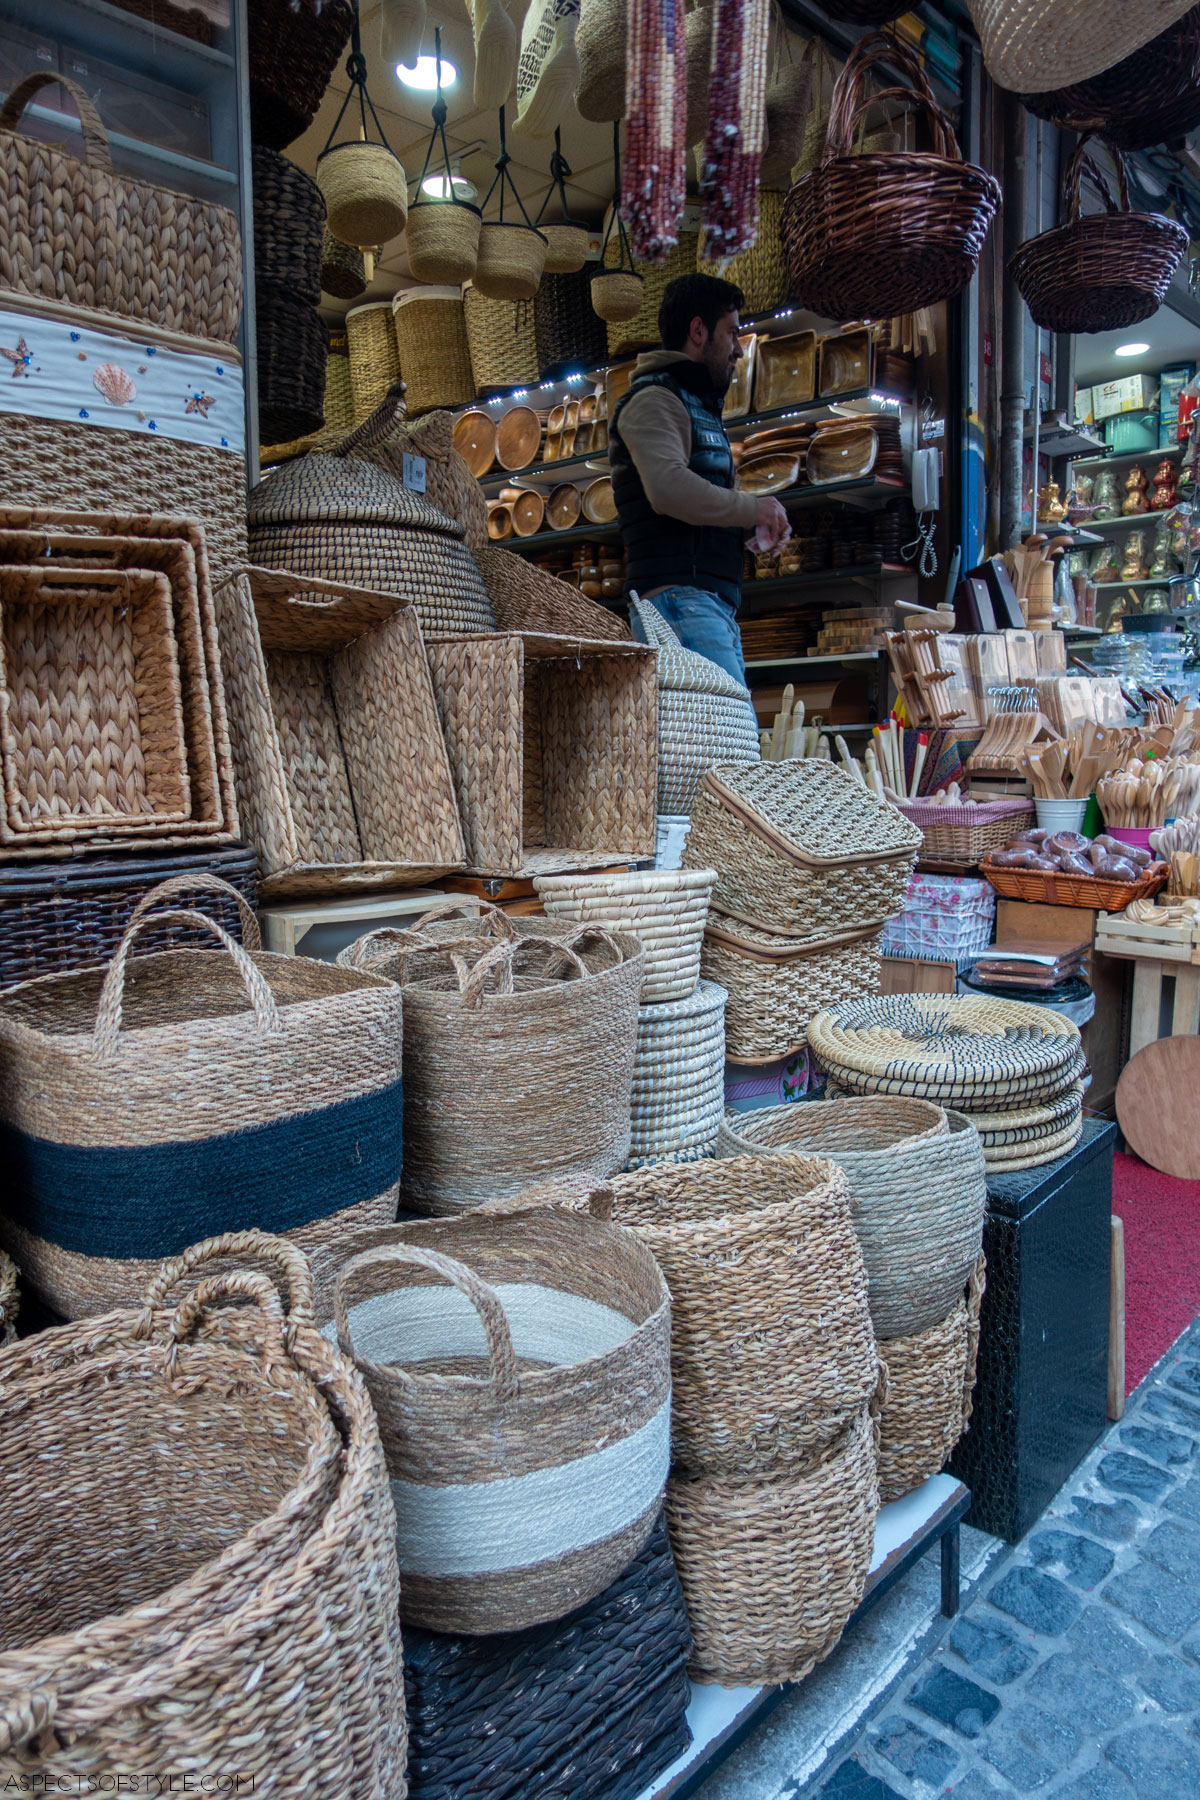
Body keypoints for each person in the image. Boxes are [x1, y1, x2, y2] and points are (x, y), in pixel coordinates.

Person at [609, 271, 790, 686]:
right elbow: (669, 490)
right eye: (732, 333)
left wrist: (743, 528)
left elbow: (686, 504)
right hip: (680, 602)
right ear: (697, 330)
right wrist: (752, 508)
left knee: (723, 744)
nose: (739, 350)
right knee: (729, 745)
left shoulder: (692, 403)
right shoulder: (654, 399)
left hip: (698, 603)